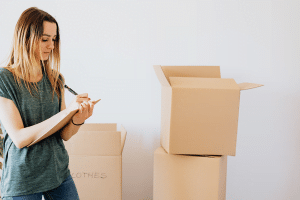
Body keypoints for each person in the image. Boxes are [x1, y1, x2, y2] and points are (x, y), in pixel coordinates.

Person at [0, 7, 96, 199]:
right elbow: (19, 138)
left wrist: (77, 119)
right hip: (23, 179)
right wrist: (66, 112)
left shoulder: (55, 78)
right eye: (45, 39)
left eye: (54, 39)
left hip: (58, 173)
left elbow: (63, 135)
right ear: (25, 37)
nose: (51, 46)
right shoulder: (5, 79)